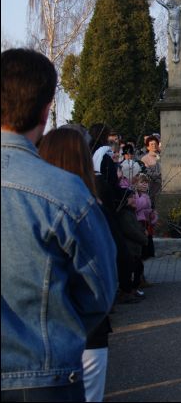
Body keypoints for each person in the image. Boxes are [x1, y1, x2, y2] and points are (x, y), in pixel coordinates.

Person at [1, 48, 117, 402]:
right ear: (46, 108)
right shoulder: (66, 192)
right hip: (42, 376)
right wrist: (54, 327)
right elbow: (99, 291)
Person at [38, 127, 116, 403]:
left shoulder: (29, 203)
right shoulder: (87, 206)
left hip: (35, 333)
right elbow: (104, 284)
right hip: (85, 331)